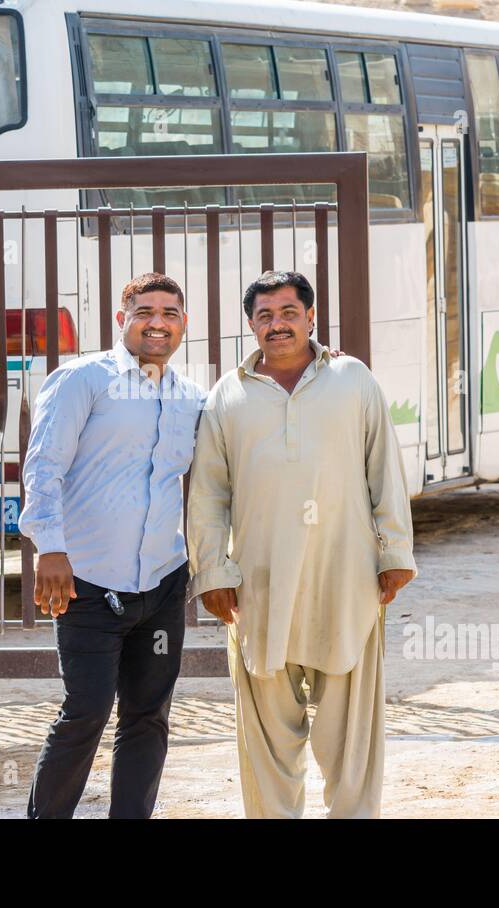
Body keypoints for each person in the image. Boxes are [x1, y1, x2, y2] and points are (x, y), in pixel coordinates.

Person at [186, 270, 417, 818]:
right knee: (266, 738)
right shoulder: (228, 394)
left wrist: (396, 553)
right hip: (259, 587)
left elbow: (384, 469)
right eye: (264, 316)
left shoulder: (352, 378)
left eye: (289, 312)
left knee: (352, 737)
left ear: (311, 318)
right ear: (251, 325)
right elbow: (208, 494)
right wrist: (212, 573)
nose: (277, 324)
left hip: (347, 578)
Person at [18, 273, 204, 818]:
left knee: (149, 715)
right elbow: (44, 465)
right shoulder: (83, 379)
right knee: (86, 712)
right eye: (144, 311)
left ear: (182, 324)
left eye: (170, 313)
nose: (157, 322)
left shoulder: (189, 397)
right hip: (88, 583)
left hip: (162, 584)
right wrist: (49, 548)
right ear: (122, 319)